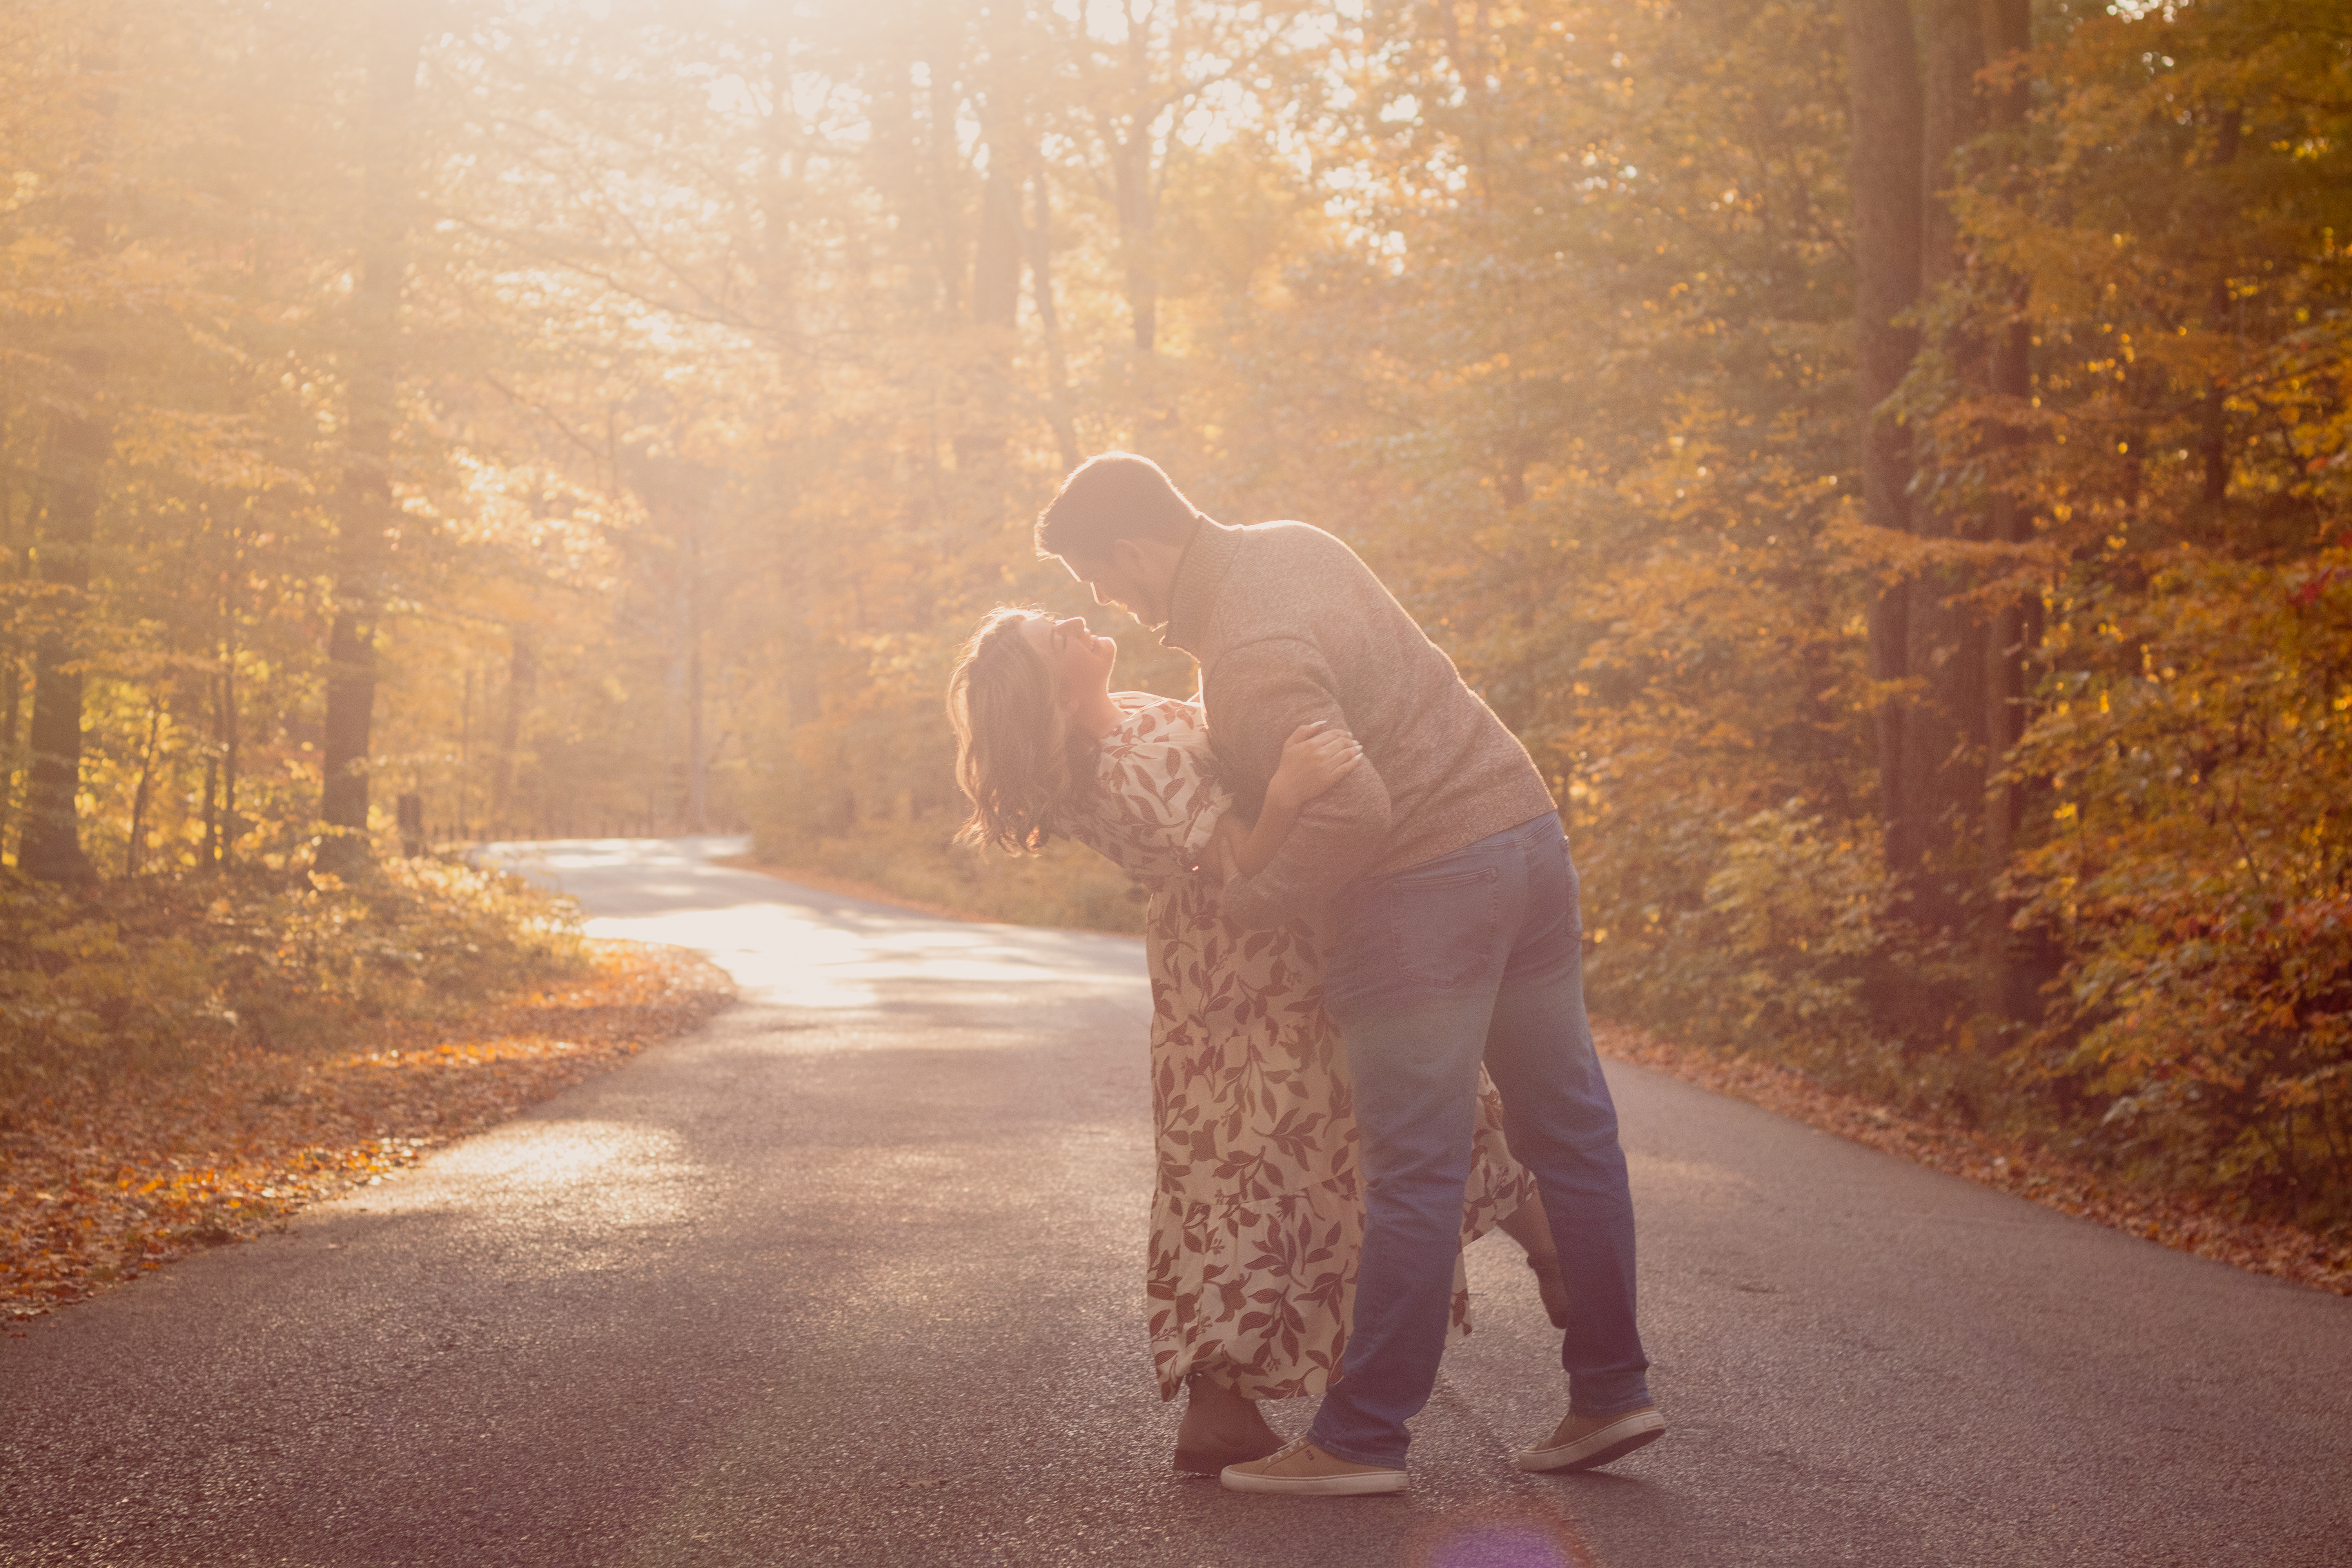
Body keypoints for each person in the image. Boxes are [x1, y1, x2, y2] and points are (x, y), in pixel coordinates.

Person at [1034, 452, 1661, 1497]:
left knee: (1413, 1171)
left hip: (1424, 892)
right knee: (1572, 1128)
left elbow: (1357, 808)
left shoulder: (1246, 655)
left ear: (1135, 549)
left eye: (1099, 574)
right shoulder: (1295, 544)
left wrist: (1252, 902)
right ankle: (1611, 1389)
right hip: (1523, 837)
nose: (1107, 599)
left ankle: (1363, 1437)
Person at [946, 604, 1573, 1477]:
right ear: (1054, 688)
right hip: (1257, 980)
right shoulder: (1125, 763)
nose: (1078, 619)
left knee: (1242, 1171)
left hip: (1228, 979)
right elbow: (1242, 862)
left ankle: (1221, 1408)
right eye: (1058, 635)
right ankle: (1554, 1255)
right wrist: (1287, 789)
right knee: (1309, 1150)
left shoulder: (1124, 722)